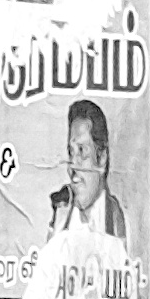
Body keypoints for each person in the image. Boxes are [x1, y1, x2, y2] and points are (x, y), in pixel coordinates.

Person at [47, 101, 124, 239]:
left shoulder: (117, 220)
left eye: (82, 151)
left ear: (101, 158)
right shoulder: (61, 212)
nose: (72, 166)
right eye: (71, 153)